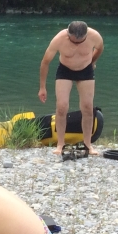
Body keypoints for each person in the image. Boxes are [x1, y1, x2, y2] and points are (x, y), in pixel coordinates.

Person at [38, 21, 104, 154]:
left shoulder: (95, 36)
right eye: (73, 42)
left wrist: (92, 61)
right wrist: (42, 87)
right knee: (62, 106)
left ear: (85, 35)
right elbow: (45, 62)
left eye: (79, 42)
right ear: (68, 34)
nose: (76, 45)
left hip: (85, 70)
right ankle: (60, 144)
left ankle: (87, 144)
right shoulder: (59, 39)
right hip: (65, 70)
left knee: (87, 107)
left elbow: (100, 48)